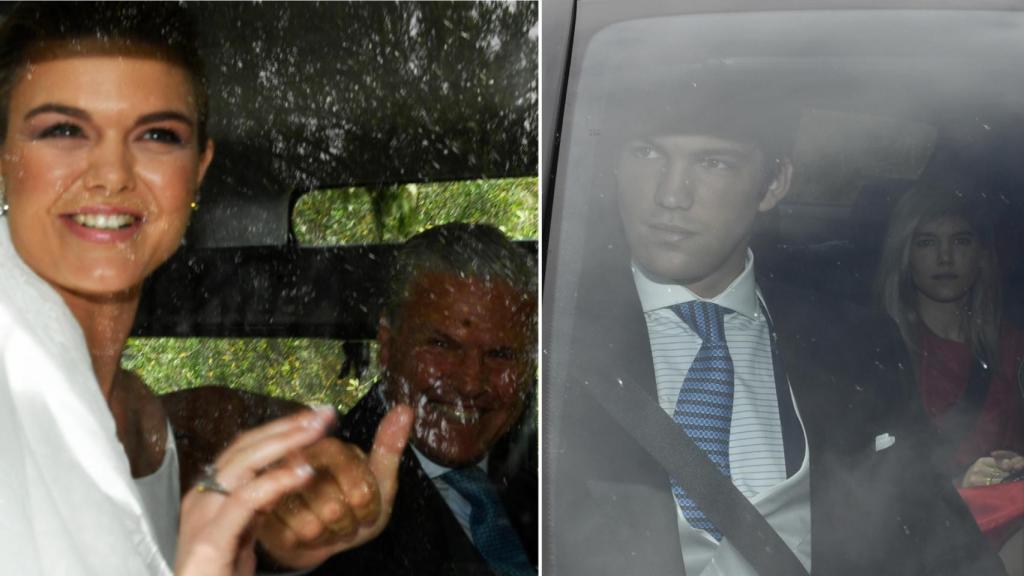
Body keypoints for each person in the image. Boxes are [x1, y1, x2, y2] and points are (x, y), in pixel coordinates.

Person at [0, 3, 411, 574]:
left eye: (157, 134)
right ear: (4, 157)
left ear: (198, 169)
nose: (112, 173)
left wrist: (269, 550)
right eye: (64, 130)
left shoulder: (143, 422)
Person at [548, 76, 1006, 575]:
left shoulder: (856, 340)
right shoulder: (557, 341)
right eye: (648, 153)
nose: (671, 195)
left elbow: (932, 522)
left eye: (712, 161)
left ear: (774, 184)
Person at [310, 223, 538, 576]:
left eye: (501, 354)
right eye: (442, 345)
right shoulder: (324, 497)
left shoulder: (552, 461)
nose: (470, 383)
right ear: (387, 345)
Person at [877, 177, 1024, 488]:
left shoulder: (1013, 348)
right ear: (905, 254)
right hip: (930, 527)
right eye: (927, 242)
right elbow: (873, 478)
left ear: (981, 255)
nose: (945, 257)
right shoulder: (883, 353)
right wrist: (957, 487)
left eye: (961, 241)